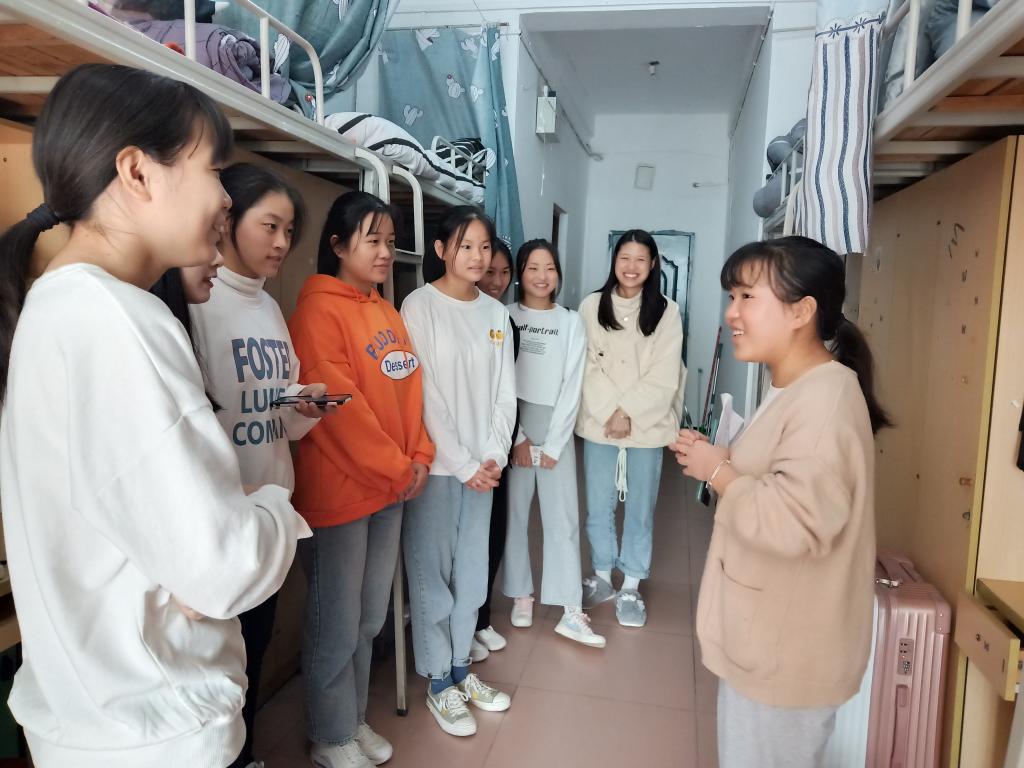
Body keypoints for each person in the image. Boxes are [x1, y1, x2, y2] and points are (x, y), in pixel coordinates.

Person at [0, 63, 310, 768]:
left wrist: (218, 534)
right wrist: (274, 504)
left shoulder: (63, 305)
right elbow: (222, 569)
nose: (223, 199)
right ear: (138, 172)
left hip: (109, 721)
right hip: (155, 731)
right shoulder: (117, 322)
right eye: (213, 171)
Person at [673, 236, 885, 768]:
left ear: (801, 311)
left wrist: (718, 471)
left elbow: (792, 522)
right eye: (732, 297)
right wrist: (721, 458)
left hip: (786, 654)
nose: (731, 313)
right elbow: (782, 479)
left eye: (747, 297)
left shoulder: (826, 399)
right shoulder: (794, 387)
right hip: (768, 642)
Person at [288, 191, 434, 768]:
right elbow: (340, 411)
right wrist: (400, 467)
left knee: (370, 618)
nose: (385, 252)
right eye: (372, 240)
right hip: (342, 493)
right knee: (336, 623)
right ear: (338, 245)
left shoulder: (386, 311)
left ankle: (350, 720)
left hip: (390, 488)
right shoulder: (316, 313)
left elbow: (411, 391)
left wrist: (420, 454)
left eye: (390, 242)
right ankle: (329, 736)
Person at [189, 163, 328, 768]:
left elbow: (281, 420)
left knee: (256, 646)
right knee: (218, 664)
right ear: (228, 221)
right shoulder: (196, 301)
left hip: (270, 511)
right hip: (223, 515)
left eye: (289, 231)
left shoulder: (269, 307)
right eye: (269, 226)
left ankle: (246, 756)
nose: (281, 243)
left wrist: (305, 405)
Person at [400, 207, 517, 737]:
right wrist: (466, 463)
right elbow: (426, 395)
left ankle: (461, 669)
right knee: (433, 577)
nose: (477, 256)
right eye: (466, 245)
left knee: (471, 575)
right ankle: (437, 682)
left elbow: (505, 393)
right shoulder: (419, 306)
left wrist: (493, 456)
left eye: (484, 246)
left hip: (483, 469)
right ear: (442, 250)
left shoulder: (495, 313)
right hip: (441, 469)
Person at [576, 229, 686, 628]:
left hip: (647, 427)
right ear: (614, 260)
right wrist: (611, 411)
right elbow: (585, 364)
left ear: (653, 264)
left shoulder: (667, 311)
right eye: (625, 257)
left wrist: (627, 412)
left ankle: (631, 586)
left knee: (640, 509)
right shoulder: (591, 306)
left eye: (641, 259)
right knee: (597, 504)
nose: (632, 266)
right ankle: (603, 576)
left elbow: (665, 372)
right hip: (600, 423)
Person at [503, 239, 603, 648]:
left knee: (562, 519)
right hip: (514, 425)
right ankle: (521, 593)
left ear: (558, 274)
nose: (542, 276)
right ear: (520, 273)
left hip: (556, 424)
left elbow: (572, 384)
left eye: (550, 268)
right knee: (515, 516)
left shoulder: (570, 321)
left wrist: (555, 444)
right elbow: (499, 382)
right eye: (533, 267)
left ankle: (570, 608)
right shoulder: (505, 316)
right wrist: (519, 437)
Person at [471, 239, 517, 662]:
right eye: (490, 272)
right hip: (462, 455)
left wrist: (500, 451)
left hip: (496, 453)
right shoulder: (453, 315)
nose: (497, 281)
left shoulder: (504, 321)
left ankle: (480, 618)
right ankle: (464, 625)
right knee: (464, 545)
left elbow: (507, 395)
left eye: (504, 273)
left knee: (492, 536)